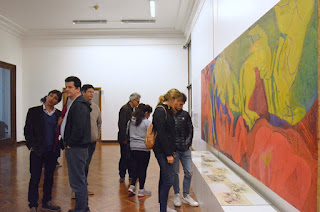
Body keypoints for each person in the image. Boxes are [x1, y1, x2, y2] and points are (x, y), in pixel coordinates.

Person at [24, 90, 62, 212]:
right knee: (35, 177)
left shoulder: (59, 115)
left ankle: (47, 201)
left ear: (57, 102)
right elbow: (27, 130)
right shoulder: (33, 111)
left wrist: (60, 125)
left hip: (52, 151)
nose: (52, 99)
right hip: (37, 151)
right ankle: (33, 204)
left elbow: (61, 133)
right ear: (46, 96)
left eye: (55, 98)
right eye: (51, 96)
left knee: (49, 178)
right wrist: (31, 146)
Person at [61, 76, 91, 212]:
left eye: (70, 87)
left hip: (76, 148)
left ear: (78, 89)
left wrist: (70, 144)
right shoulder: (74, 102)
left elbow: (79, 128)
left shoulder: (79, 105)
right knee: (79, 179)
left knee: (77, 180)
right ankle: (82, 207)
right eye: (66, 87)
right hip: (75, 147)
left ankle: (80, 209)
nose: (67, 89)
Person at [153, 88, 181, 212]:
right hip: (162, 151)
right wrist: (169, 154)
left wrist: (172, 151)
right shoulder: (160, 111)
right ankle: (163, 209)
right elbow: (162, 135)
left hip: (167, 151)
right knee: (168, 179)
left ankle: (163, 207)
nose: (178, 105)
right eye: (178, 102)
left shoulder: (168, 110)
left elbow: (170, 134)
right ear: (172, 99)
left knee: (164, 178)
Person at [172, 93, 198, 207]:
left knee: (189, 172)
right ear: (175, 101)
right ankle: (177, 194)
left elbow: (190, 129)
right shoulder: (169, 114)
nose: (181, 106)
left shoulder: (185, 115)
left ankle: (186, 195)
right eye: (180, 103)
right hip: (174, 150)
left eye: (183, 104)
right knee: (175, 173)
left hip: (185, 149)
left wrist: (188, 143)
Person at [127, 104, 153, 197]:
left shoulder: (130, 121)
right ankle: (141, 190)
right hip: (144, 149)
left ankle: (132, 186)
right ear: (146, 113)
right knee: (143, 169)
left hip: (133, 148)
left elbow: (127, 133)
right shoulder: (147, 123)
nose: (149, 115)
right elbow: (151, 135)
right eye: (149, 113)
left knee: (134, 168)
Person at [81, 84, 102, 195]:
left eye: (92, 92)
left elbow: (99, 123)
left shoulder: (95, 107)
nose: (91, 94)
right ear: (83, 92)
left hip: (92, 141)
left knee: (87, 164)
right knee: (81, 165)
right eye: (89, 92)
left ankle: (83, 186)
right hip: (81, 142)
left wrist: (97, 135)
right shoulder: (78, 106)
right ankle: (77, 190)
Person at [118, 92, 141, 182]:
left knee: (131, 157)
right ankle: (122, 175)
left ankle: (132, 174)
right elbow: (122, 125)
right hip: (125, 138)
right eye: (137, 102)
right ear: (133, 100)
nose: (138, 104)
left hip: (131, 138)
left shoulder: (133, 109)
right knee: (124, 157)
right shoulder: (125, 109)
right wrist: (124, 139)